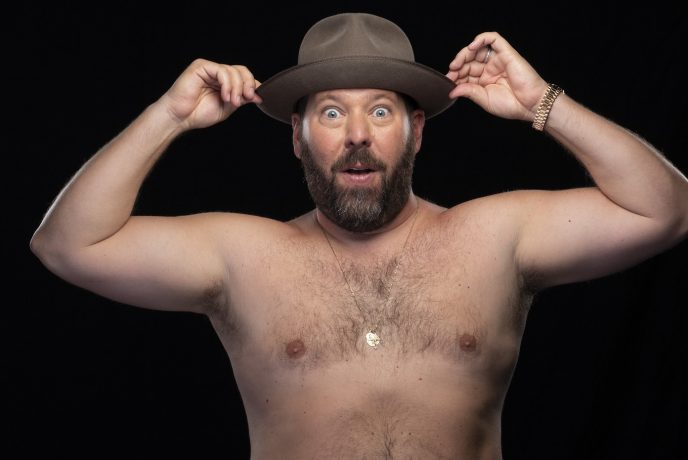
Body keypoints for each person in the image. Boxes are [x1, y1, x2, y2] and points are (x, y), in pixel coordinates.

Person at [30, 11, 687, 459]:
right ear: (297, 138)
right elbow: (66, 245)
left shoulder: (495, 237)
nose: (356, 135)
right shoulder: (242, 256)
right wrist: (168, 116)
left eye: (379, 110)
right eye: (330, 113)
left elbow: (666, 211)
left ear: (417, 132)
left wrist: (544, 104)